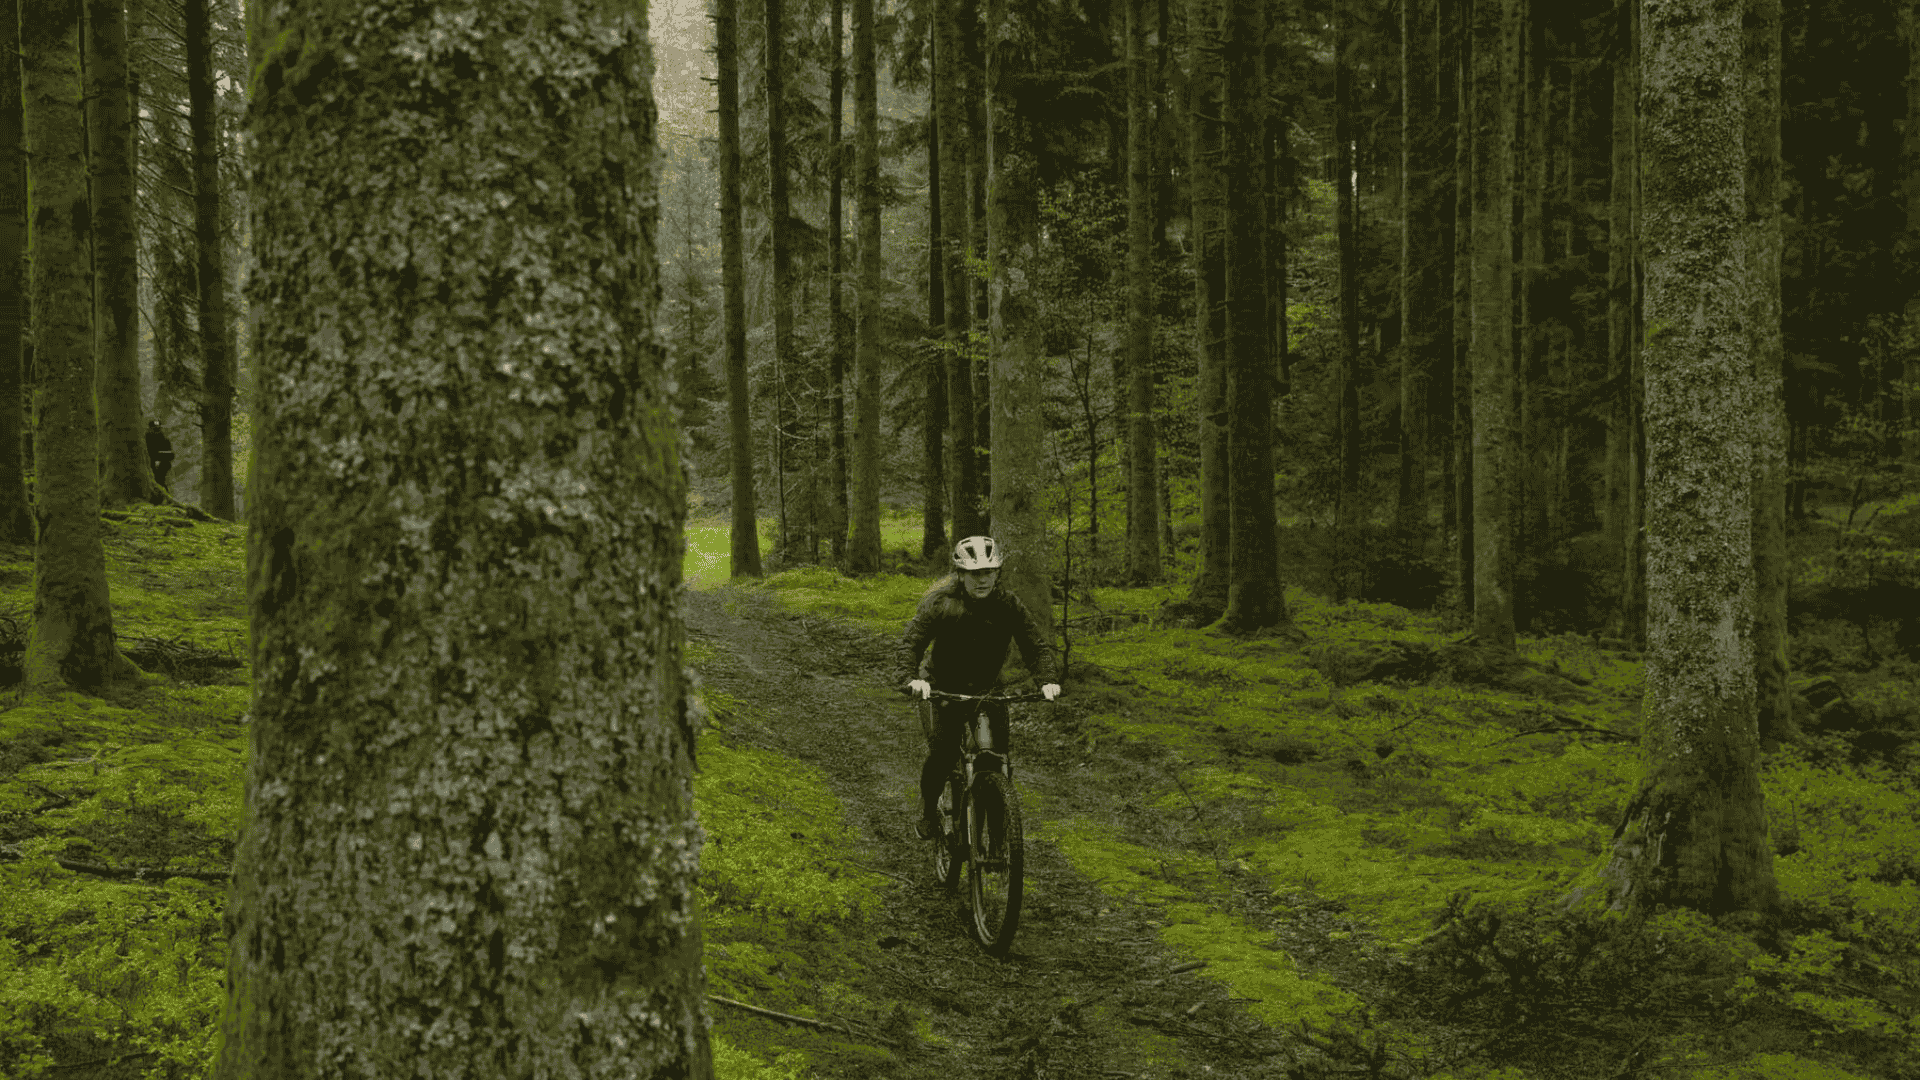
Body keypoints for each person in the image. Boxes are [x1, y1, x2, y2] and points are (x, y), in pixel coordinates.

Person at [897, 535, 1061, 840]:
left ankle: (1000, 836)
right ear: (961, 574)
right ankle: (929, 811)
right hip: (943, 687)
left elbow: (1035, 646)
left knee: (997, 758)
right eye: (974, 573)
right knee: (944, 754)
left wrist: (1047, 679)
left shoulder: (1008, 605)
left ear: (998, 573)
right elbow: (912, 642)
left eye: (988, 572)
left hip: (988, 688)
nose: (982, 580)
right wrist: (912, 679)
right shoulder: (942, 603)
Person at [145, 421, 175, 491]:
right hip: (152, 462)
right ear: (150, 428)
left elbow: (170, 453)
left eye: (158, 428)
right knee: (157, 480)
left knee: (160, 480)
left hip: (163, 463)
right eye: (155, 429)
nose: (157, 430)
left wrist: (160, 457)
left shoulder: (164, 438)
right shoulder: (147, 438)